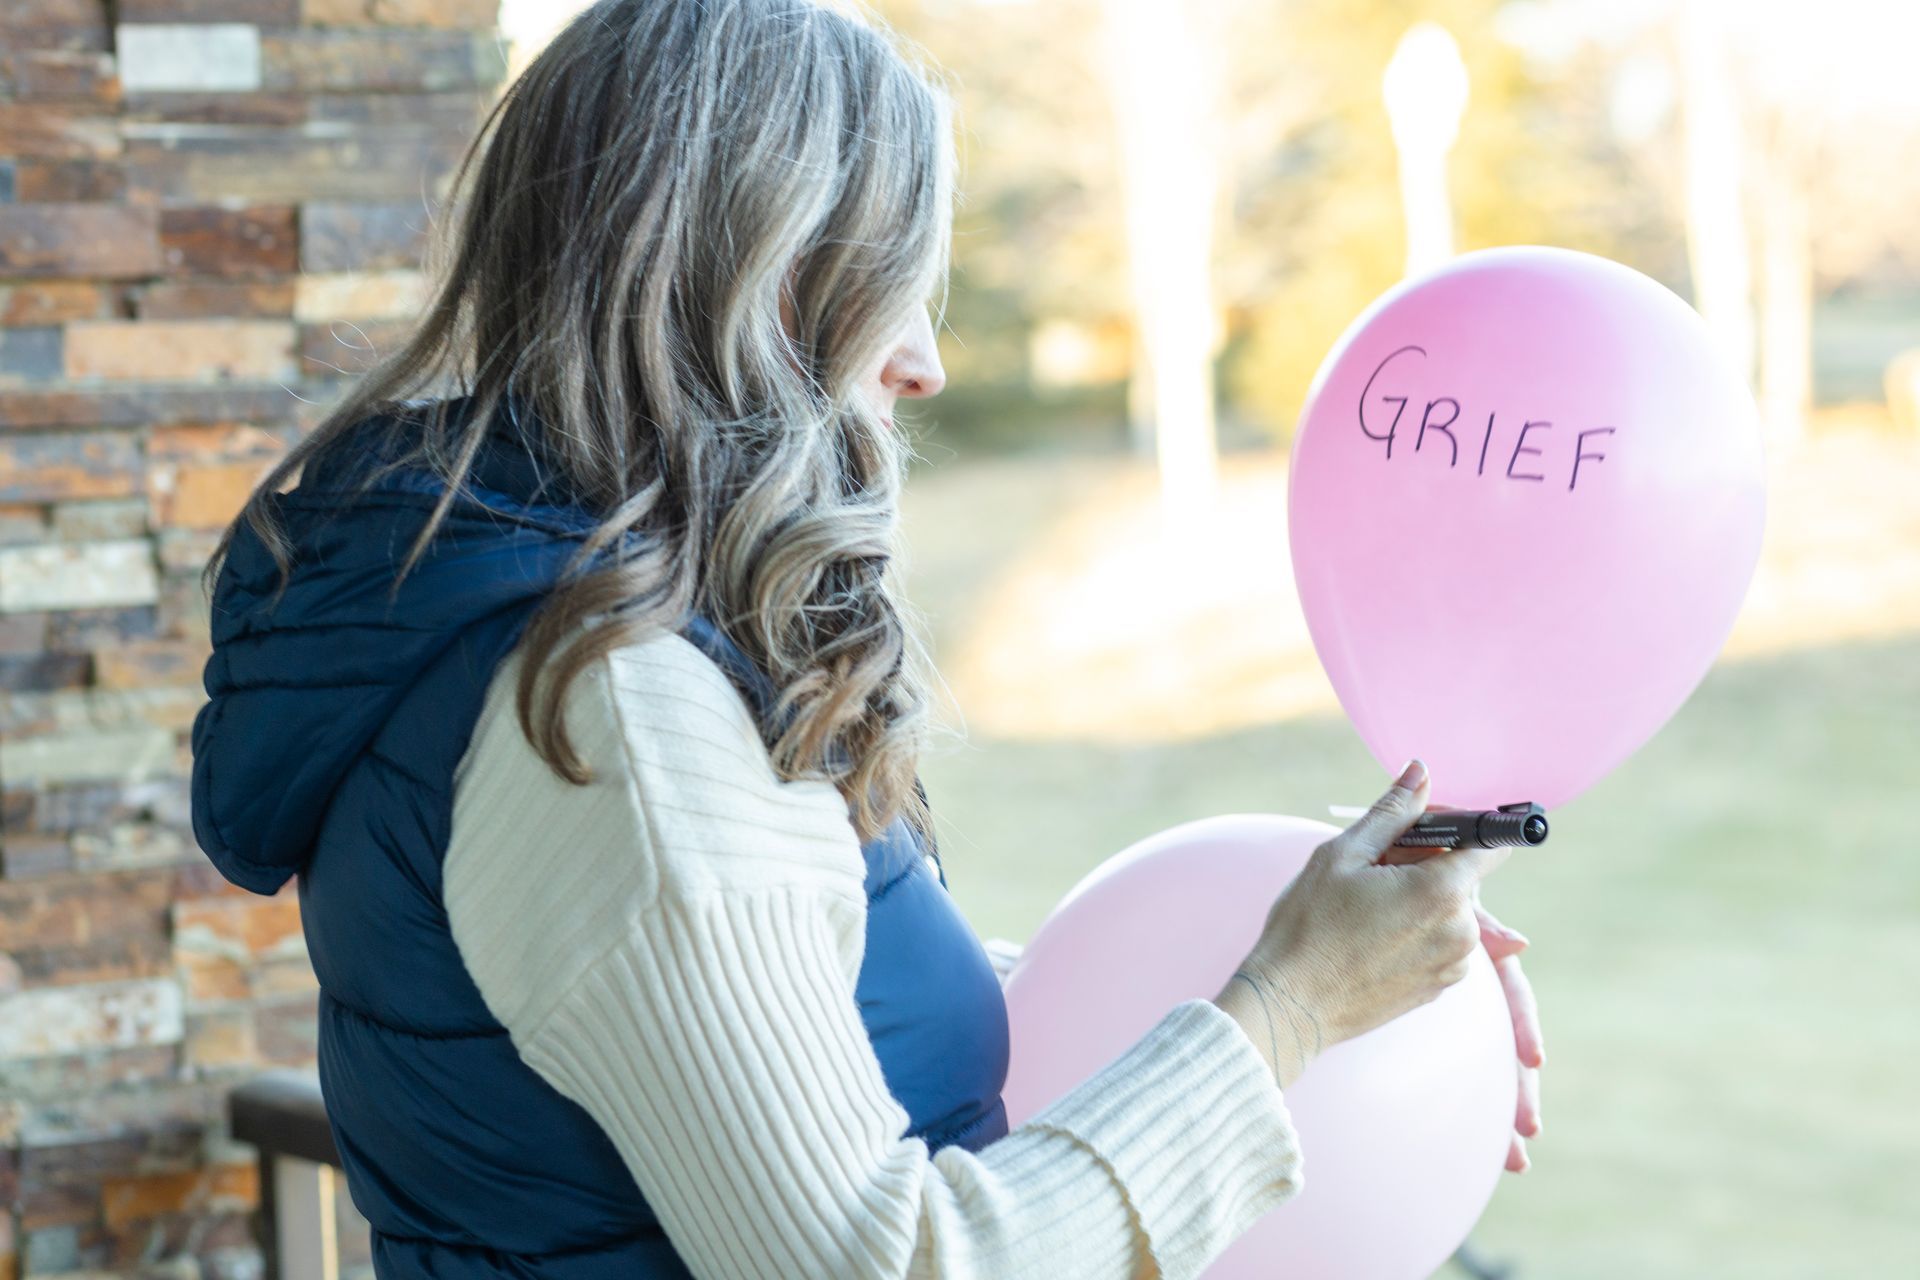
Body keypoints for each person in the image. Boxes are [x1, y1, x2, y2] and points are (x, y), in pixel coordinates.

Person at [188, 2, 1541, 1276]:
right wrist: (1288, 1009)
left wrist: (1317, 981)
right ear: (747, 277)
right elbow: (884, 1259)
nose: (923, 363)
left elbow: (772, 1013)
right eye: (887, 280)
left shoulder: (568, 631)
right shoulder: (614, 709)